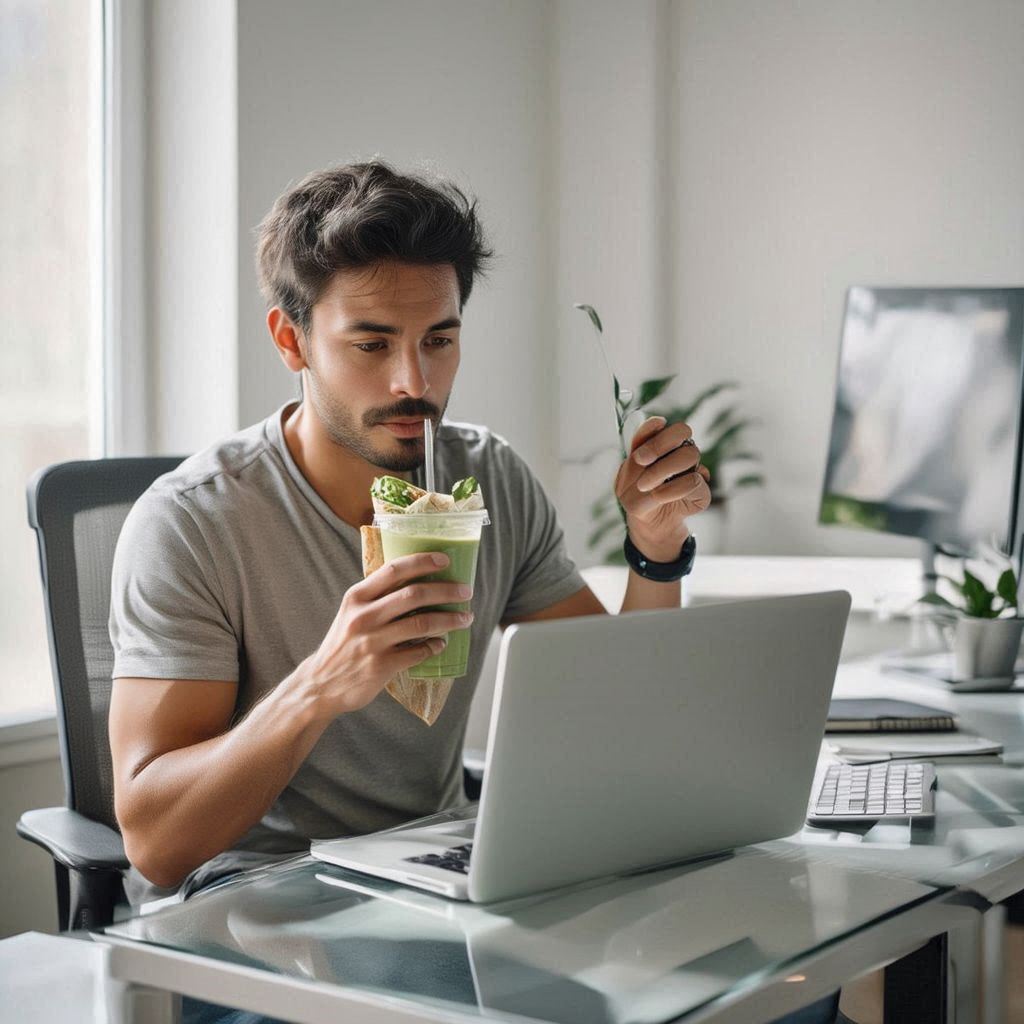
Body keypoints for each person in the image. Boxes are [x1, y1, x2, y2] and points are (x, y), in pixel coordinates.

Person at [108, 158, 708, 903]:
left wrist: (654, 549)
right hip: (258, 899)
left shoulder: (491, 479)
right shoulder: (195, 522)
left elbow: (618, 707)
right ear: (291, 342)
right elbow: (158, 846)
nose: (414, 385)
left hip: (439, 871)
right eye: (372, 344)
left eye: (439, 341)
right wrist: (321, 686)